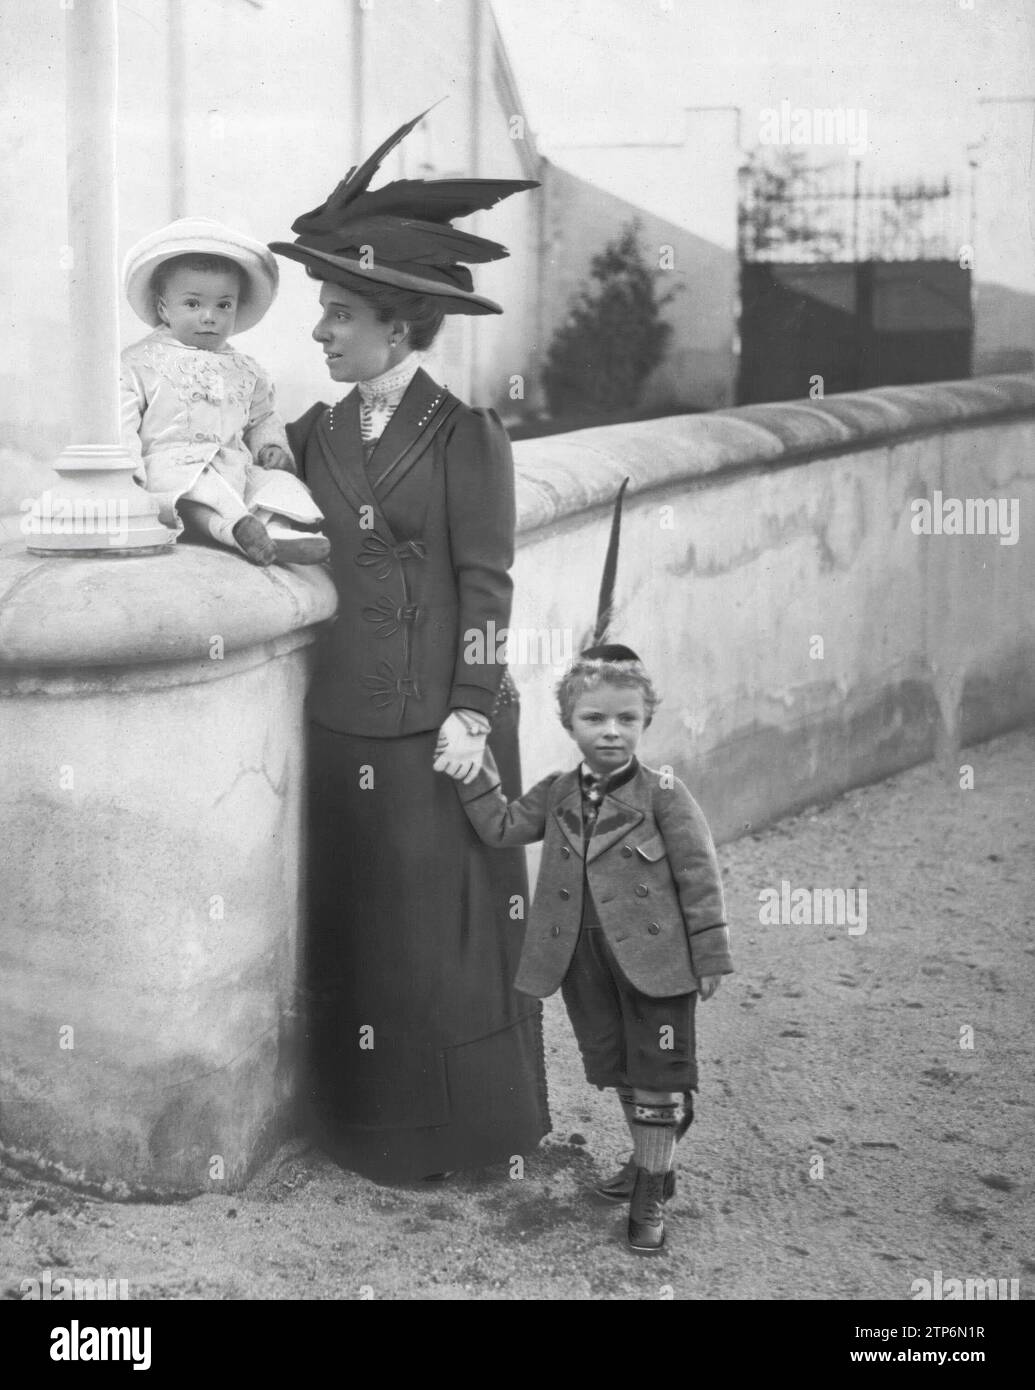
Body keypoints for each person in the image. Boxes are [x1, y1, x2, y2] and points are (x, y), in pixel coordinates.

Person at [269, 110, 549, 1180]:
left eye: (339, 314)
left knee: (447, 938)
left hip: (441, 728)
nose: (321, 334)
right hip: (344, 725)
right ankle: (363, 1129)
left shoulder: (467, 433)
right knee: (367, 934)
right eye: (323, 313)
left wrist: (473, 708)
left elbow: (489, 583)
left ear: (397, 323)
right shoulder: (309, 437)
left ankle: (463, 1136)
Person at [448, 634, 734, 1254]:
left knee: (658, 1070)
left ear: (645, 722)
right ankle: (650, 1160)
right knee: (623, 1067)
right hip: (583, 960)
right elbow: (499, 826)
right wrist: (474, 769)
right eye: (594, 718)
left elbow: (699, 876)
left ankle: (650, 1192)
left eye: (626, 719)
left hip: (657, 963)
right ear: (569, 723)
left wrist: (709, 954)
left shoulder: (663, 793)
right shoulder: (556, 793)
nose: (611, 732)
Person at [121, 217, 329, 566]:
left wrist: (271, 446)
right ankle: (231, 530)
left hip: (234, 469)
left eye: (223, 305)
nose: (209, 317)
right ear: (163, 308)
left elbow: (263, 417)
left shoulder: (246, 370)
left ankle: (271, 531)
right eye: (192, 304)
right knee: (198, 492)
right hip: (170, 471)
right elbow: (122, 422)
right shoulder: (140, 362)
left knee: (272, 485)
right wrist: (126, 474)